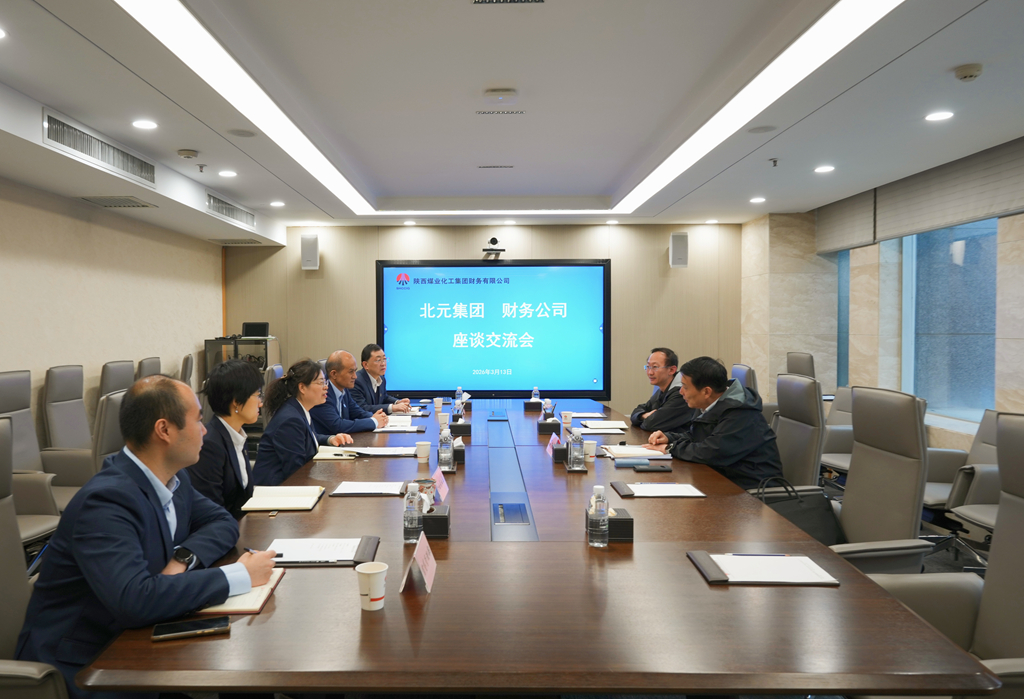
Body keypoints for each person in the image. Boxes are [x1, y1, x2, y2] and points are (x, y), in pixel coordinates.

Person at [16, 376, 277, 699]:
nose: (205, 430)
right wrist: (239, 575)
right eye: (197, 420)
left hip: (138, 642)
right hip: (86, 667)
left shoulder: (173, 478)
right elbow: (135, 600)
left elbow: (222, 521)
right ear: (164, 430)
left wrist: (181, 560)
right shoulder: (107, 501)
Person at [645, 356, 782, 489]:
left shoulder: (740, 413)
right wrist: (669, 437)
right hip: (723, 480)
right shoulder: (710, 403)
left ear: (706, 392)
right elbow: (698, 435)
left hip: (752, 490)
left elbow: (710, 452)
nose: (681, 392)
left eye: (685, 387)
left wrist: (670, 448)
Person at [254, 359, 354, 486]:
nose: (326, 387)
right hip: (276, 490)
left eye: (325, 382)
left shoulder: (298, 408)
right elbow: (296, 472)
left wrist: (330, 439)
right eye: (321, 382)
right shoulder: (290, 420)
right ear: (302, 387)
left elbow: (306, 437)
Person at [186, 359, 264, 518]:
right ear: (236, 402)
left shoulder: (237, 435)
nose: (260, 403)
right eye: (257, 395)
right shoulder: (209, 446)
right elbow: (211, 513)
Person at [310, 350, 388, 435]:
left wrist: (375, 417)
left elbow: (356, 412)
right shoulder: (322, 393)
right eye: (351, 372)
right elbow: (338, 426)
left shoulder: (344, 388)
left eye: (355, 371)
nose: (355, 376)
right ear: (334, 374)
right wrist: (374, 422)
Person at [629, 347, 697, 432]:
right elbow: (637, 411)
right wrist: (642, 416)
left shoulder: (681, 393)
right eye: (648, 367)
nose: (650, 372)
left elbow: (651, 425)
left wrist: (644, 418)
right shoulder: (662, 388)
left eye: (655, 367)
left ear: (671, 370)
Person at [352, 343, 411, 414]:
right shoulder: (356, 381)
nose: (383, 364)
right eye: (378, 360)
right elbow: (362, 408)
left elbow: (384, 397)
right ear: (366, 365)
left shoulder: (381, 379)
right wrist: (391, 407)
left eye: (384, 359)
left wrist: (397, 402)